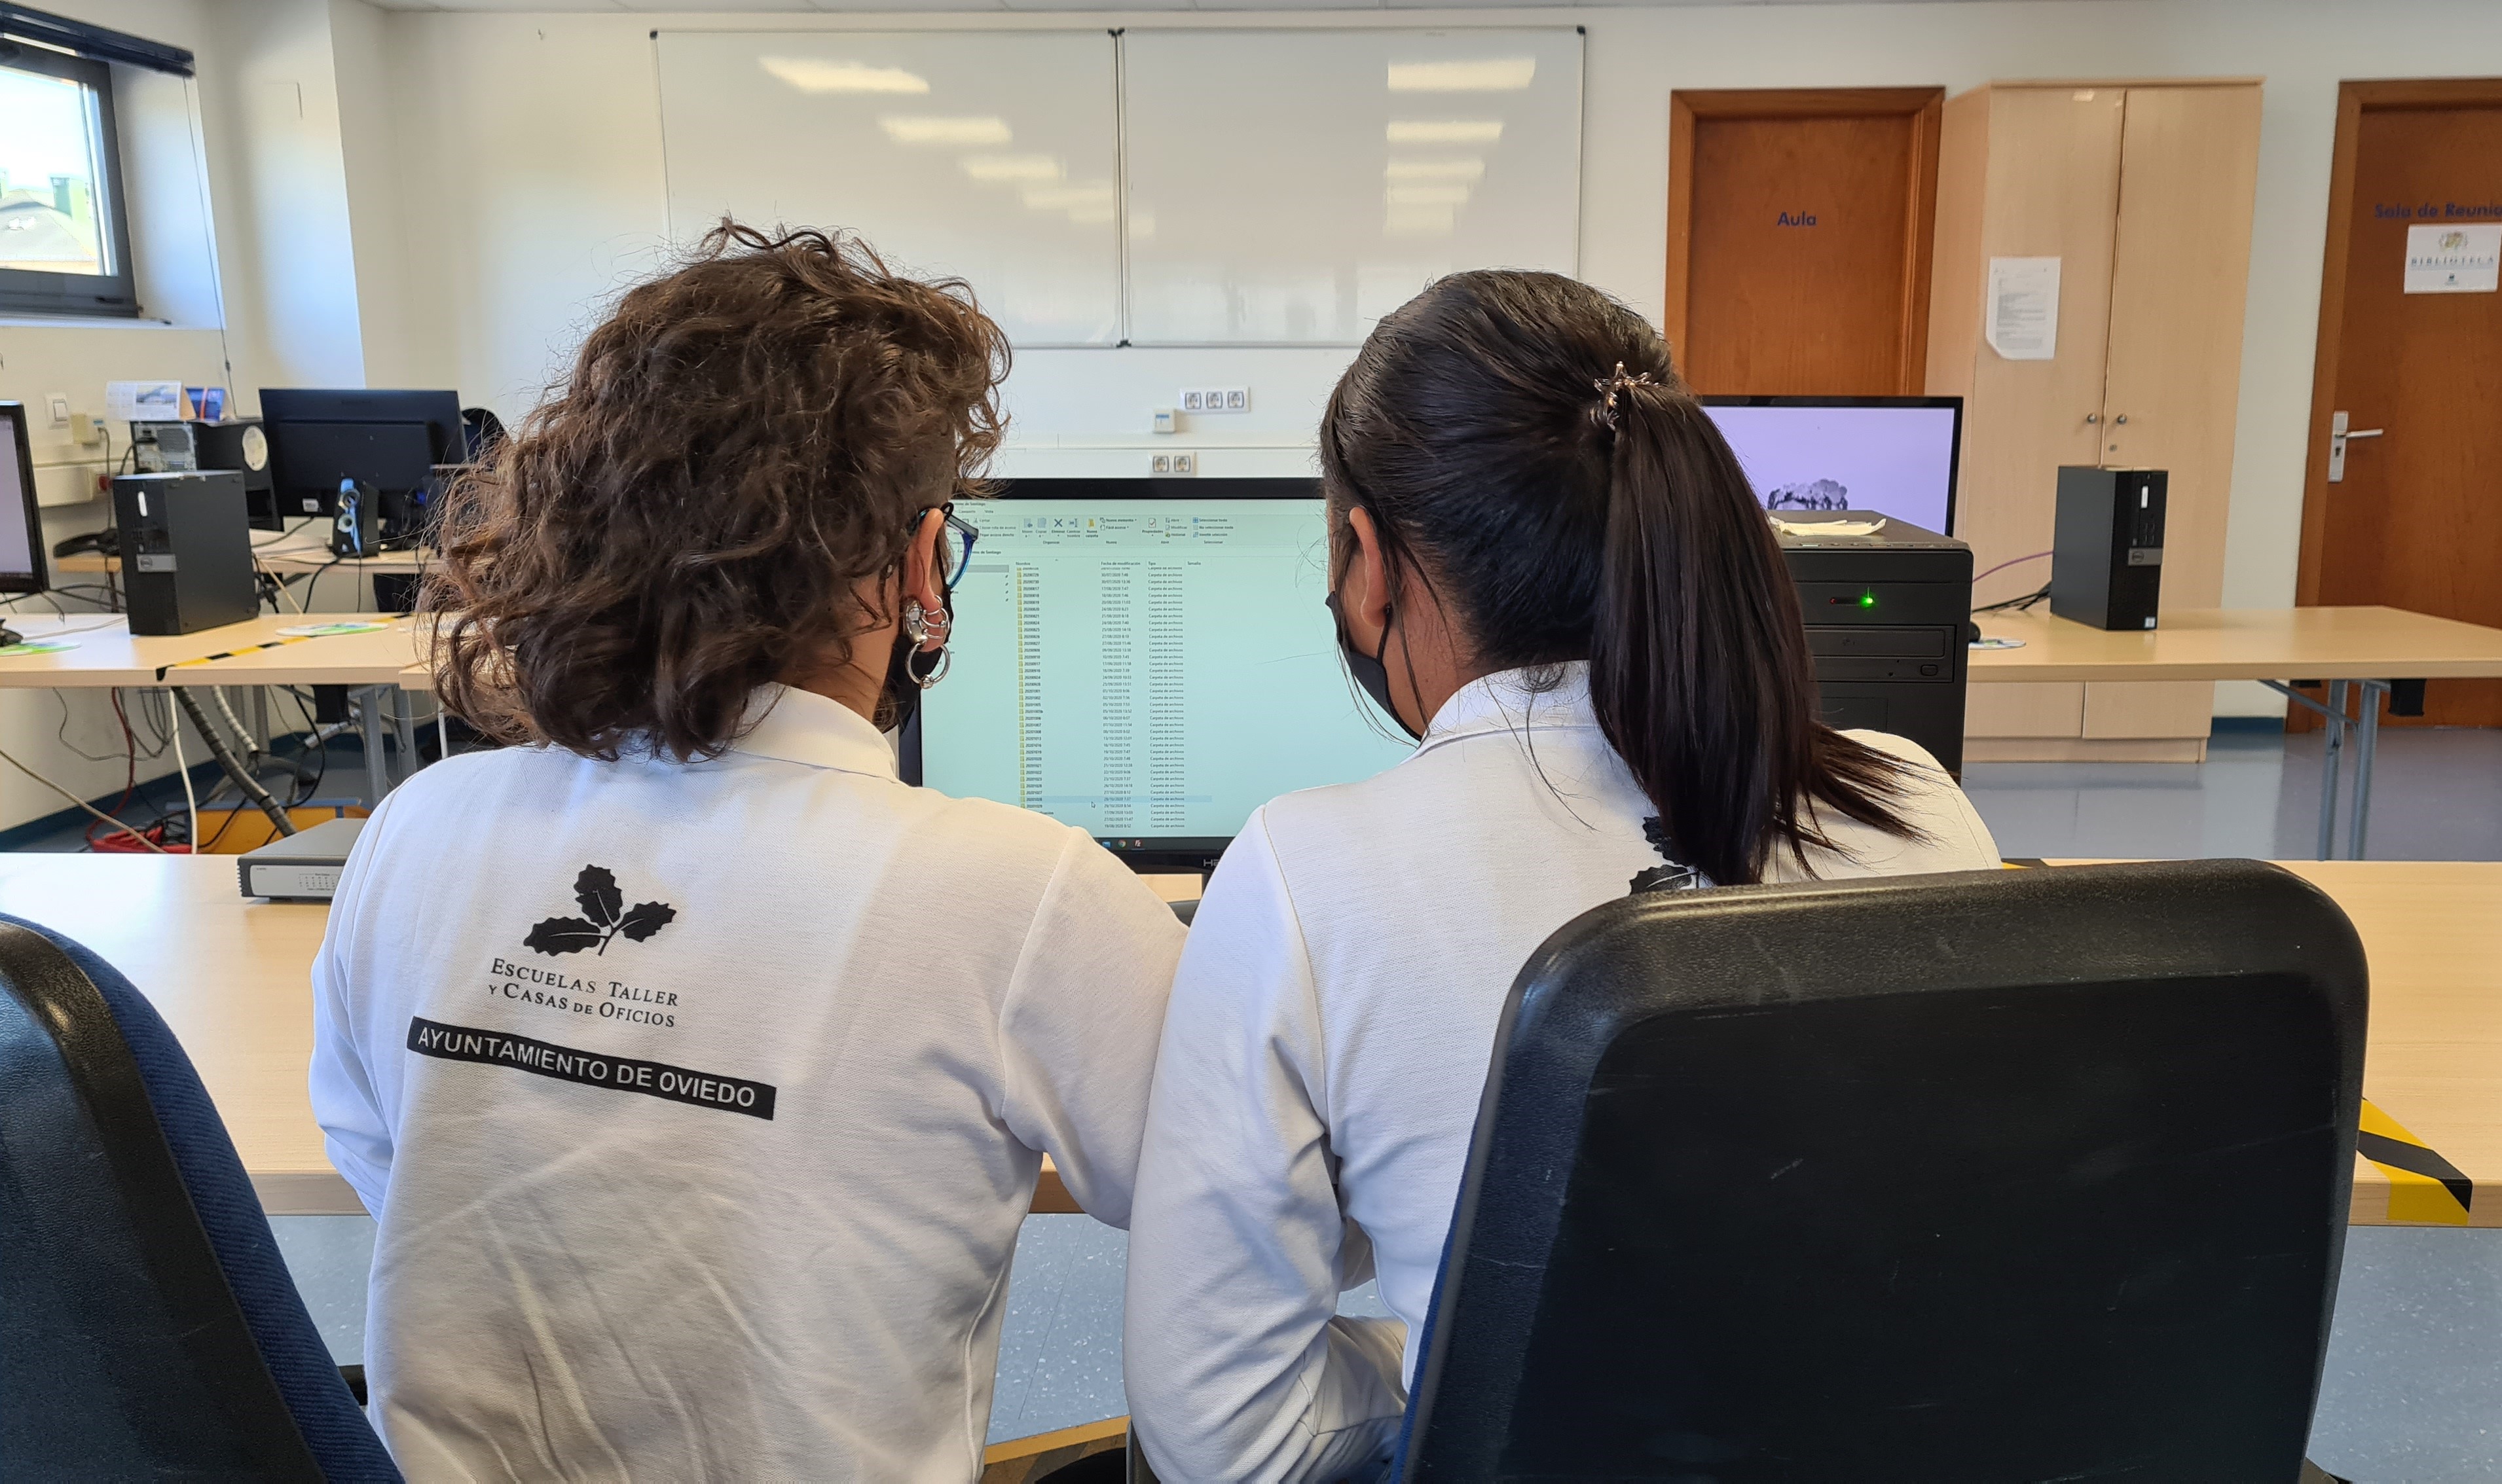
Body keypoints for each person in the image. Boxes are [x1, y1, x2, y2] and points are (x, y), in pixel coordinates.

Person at [309, 223, 1186, 1481]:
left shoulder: (420, 826)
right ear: (920, 560)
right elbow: (1239, 1215)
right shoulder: (1022, 893)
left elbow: (383, 1161)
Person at [1121, 270, 2003, 1483]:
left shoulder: (1303, 873)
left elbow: (1224, 1441)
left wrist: (1438, 1350)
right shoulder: (1919, 803)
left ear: (1367, 561)